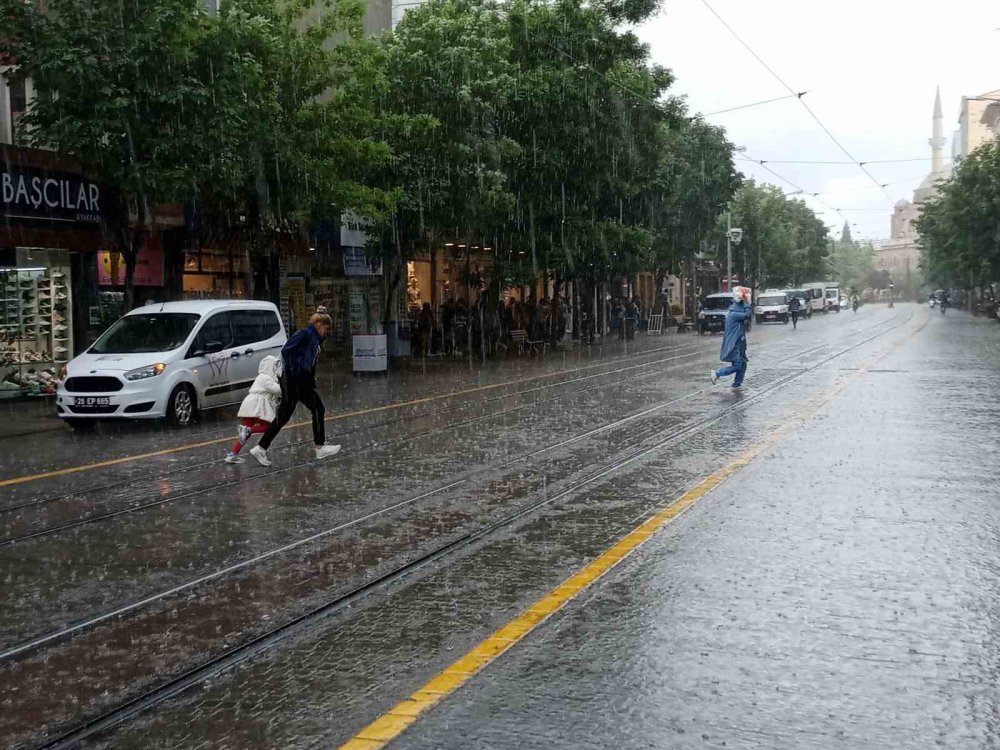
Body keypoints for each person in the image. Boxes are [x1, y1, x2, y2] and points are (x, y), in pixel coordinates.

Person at [250, 313, 341, 466]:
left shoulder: (314, 340)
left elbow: (308, 362)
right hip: (295, 380)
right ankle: (320, 447)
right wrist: (296, 371)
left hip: (296, 380)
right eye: (326, 328)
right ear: (318, 325)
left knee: (283, 416)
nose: (328, 332)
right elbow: (286, 351)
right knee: (318, 408)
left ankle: (261, 447)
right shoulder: (305, 334)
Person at [225, 356, 283, 464]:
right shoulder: (266, 378)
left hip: (250, 406)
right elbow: (277, 390)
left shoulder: (261, 377)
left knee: (244, 434)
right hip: (258, 407)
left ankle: (233, 454)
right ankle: (250, 431)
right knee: (268, 426)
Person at [710, 286, 752, 390]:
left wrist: (745, 300)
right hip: (734, 343)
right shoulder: (734, 314)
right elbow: (747, 314)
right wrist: (747, 302)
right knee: (738, 365)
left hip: (740, 342)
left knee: (743, 364)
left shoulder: (735, 311)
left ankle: (737, 384)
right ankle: (717, 373)